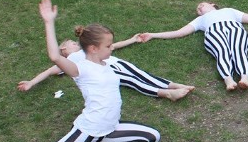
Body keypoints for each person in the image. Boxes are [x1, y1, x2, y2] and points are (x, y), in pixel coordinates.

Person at [0, 0, 161, 142]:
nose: (112, 48)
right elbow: (54, 56)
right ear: (93, 48)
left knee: (152, 137)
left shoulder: (105, 63)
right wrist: (49, 22)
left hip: (110, 127)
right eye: (108, 46)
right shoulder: (81, 69)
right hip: (89, 130)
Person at [139, 2, 248, 90]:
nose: (199, 8)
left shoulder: (230, 11)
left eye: (201, 5)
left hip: (235, 30)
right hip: (214, 33)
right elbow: (179, 32)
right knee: (222, 53)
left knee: (238, 50)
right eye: (198, 9)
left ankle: (244, 78)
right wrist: (153, 34)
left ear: (213, 4)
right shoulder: (200, 20)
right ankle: (229, 81)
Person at [19, 33, 193, 101]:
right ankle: (167, 93)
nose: (76, 44)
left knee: (143, 75)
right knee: (133, 81)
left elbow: (113, 46)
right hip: (104, 72)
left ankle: (175, 85)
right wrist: (31, 83)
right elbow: (49, 71)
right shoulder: (69, 61)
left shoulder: (89, 49)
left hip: (115, 62)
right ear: (64, 49)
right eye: (72, 43)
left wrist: (132, 40)